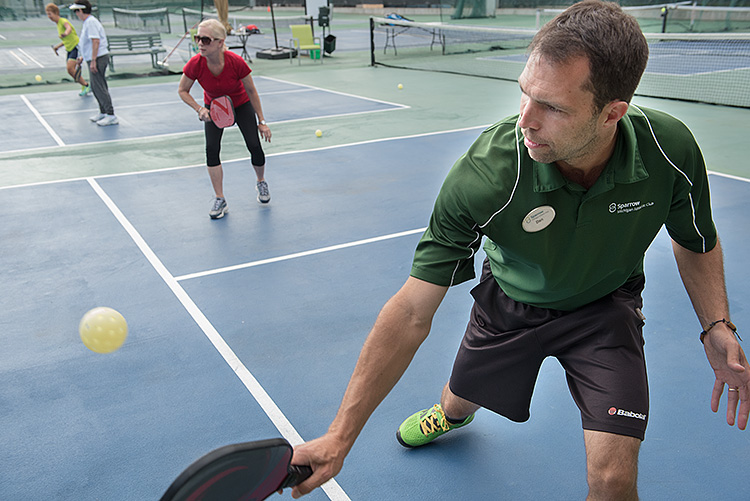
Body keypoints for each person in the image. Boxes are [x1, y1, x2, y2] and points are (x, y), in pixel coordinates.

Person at [290, 1, 749, 499]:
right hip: (509, 306)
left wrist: (717, 325)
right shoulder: (487, 176)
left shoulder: (670, 152)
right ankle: (449, 414)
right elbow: (411, 312)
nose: (525, 120)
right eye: (525, 94)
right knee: (460, 400)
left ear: (612, 113)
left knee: (614, 478)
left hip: (605, 311)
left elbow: (696, 240)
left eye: (552, 106)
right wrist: (340, 435)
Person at [178, 19, 272, 219]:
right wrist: (199, 109)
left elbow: (251, 90)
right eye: (198, 38)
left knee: (254, 145)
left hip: (241, 105)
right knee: (211, 150)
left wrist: (262, 122)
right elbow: (182, 90)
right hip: (213, 108)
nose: (200, 43)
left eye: (205, 39)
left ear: (220, 42)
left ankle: (261, 181)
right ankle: (220, 198)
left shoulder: (235, 62)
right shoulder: (195, 63)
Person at [69, 1, 118, 126]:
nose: (76, 14)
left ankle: (111, 115)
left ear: (81, 11)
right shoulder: (88, 23)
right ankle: (103, 112)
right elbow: (87, 44)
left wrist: (94, 61)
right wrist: (82, 57)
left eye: (76, 11)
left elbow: (95, 41)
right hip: (93, 58)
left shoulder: (91, 22)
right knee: (97, 86)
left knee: (99, 87)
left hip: (99, 58)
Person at [45, 3, 90, 96]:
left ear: (56, 13)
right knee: (70, 71)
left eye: (50, 14)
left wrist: (65, 33)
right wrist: (57, 47)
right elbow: (66, 40)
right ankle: (85, 85)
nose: (49, 16)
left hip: (76, 47)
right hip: (69, 49)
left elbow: (68, 28)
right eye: (47, 14)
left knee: (70, 68)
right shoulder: (58, 24)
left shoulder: (63, 21)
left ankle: (86, 85)